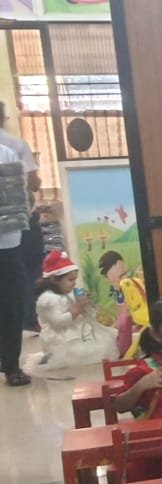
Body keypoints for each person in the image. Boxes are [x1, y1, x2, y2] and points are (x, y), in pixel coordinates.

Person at [23, 249, 116, 379]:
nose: (74, 283)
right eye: (70, 280)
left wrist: (87, 304)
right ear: (54, 280)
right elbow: (58, 323)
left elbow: (86, 316)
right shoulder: (48, 299)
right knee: (97, 350)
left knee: (109, 339)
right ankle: (52, 357)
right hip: (61, 338)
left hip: (75, 333)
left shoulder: (68, 292)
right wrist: (77, 308)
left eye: (75, 280)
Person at [0, 113, 36, 386]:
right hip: (8, 242)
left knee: (11, 304)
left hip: (7, 243)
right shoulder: (8, 150)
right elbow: (26, 195)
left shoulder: (6, 153)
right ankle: (11, 366)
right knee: (10, 305)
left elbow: (18, 198)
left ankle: (10, 364)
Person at [99, 251, 149, 359]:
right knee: (123, 324)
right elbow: (122, 308)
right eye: (120, 275)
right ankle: (125, 351)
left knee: (124, 323)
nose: (122, 276)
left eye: (123, 273)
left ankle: (127, 351)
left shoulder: (129, 284)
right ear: (106, 277)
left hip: (137, 316)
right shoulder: (118, 289)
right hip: (128, 318)